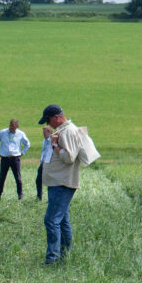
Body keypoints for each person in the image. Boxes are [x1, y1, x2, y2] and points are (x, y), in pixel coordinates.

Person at [39, 104, 83, 264]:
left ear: (57, 117)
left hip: (62, 182)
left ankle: (53, 258)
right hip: (58, 181)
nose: (49, 124)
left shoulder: (68, 131)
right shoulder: (63, 131)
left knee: (51, 220)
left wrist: (55, 145)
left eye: (49, 120)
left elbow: (69, 158)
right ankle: (65, 255)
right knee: (62, 220)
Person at [0, 119, 31, 200]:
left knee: (18, 178)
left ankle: (20, 196)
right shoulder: (2, 132)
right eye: (10, 126)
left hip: (15, 158)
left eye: (13, 126)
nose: (11, 128)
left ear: (17, 127)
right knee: (2, 178)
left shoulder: (20, 134)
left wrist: (22, 153)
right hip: (5, 158)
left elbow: (27, 144)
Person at [35, 125, 53, 200]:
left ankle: (50, 199)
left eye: (45, 132)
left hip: (49, 163)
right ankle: (39, 196)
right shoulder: (44, 141)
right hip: (43, 162)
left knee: (50, 182)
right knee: (38, 180)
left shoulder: (52, 140)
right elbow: (43, 152)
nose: (43, 134)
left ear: (49, 132)